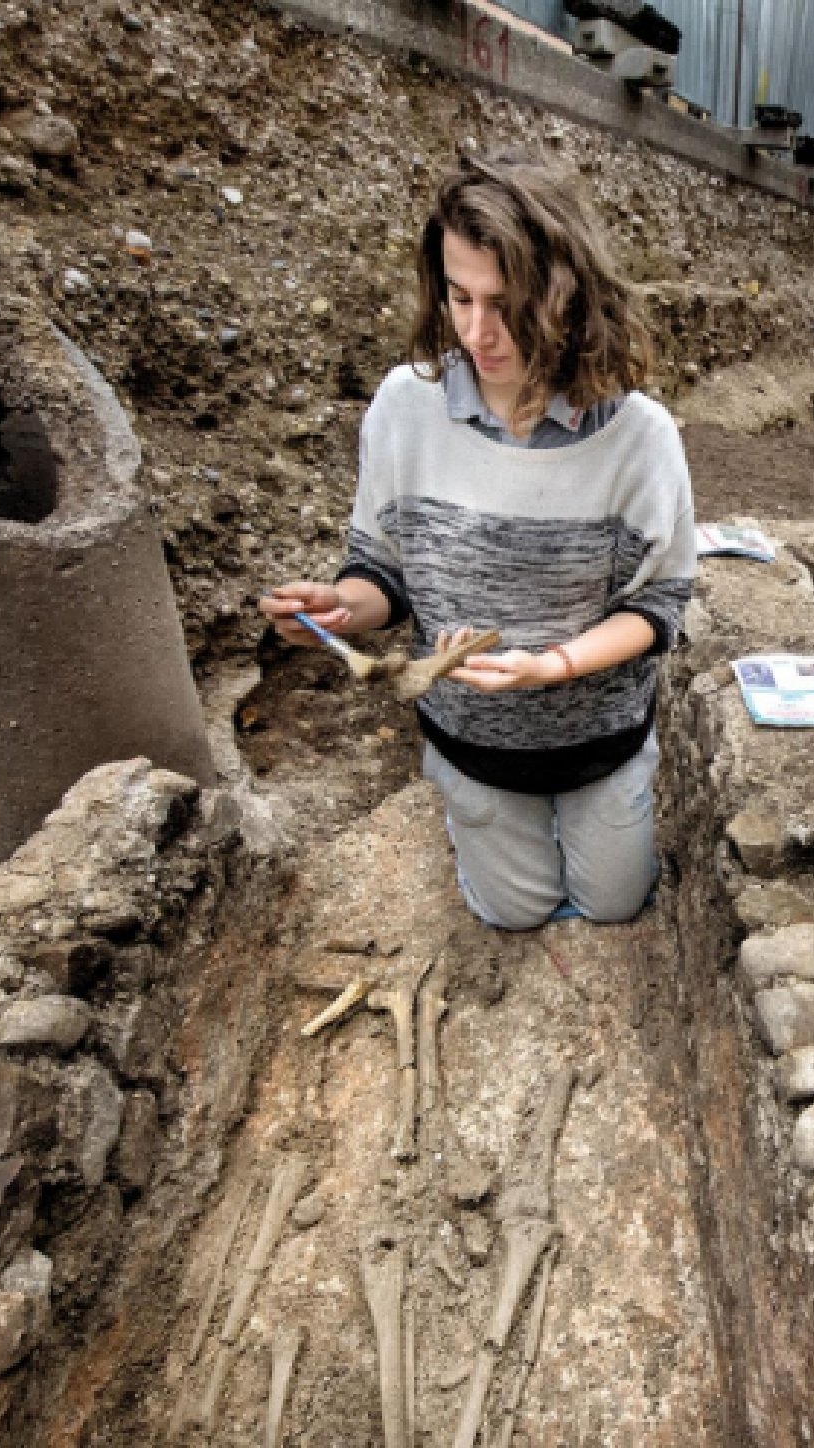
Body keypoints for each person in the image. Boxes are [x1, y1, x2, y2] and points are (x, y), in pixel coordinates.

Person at [260, 151, 696, 932]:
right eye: (459, 297)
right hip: (470, 746)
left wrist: (552, 667)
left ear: (568, 297)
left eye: (507, 305)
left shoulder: (640, 436)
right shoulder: (404, 407)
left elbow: (660, 605)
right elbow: (380, 573)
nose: (476, 331)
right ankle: (482, 832)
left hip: (601, 741)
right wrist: (339, 611)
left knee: (614, 903)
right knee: (514, 913)